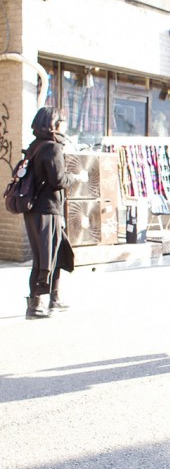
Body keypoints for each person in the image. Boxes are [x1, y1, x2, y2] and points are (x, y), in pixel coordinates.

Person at [22, 107, 86, 319]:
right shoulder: (52, 148)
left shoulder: (35, 146)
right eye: (63, 122)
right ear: (54, 124)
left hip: (39, 210)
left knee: (56, 253)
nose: (65, 126)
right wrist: (76, 178)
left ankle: (54, 298)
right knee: (44, 257)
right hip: (47, 210)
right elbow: (58, 180)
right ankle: (34, 305)